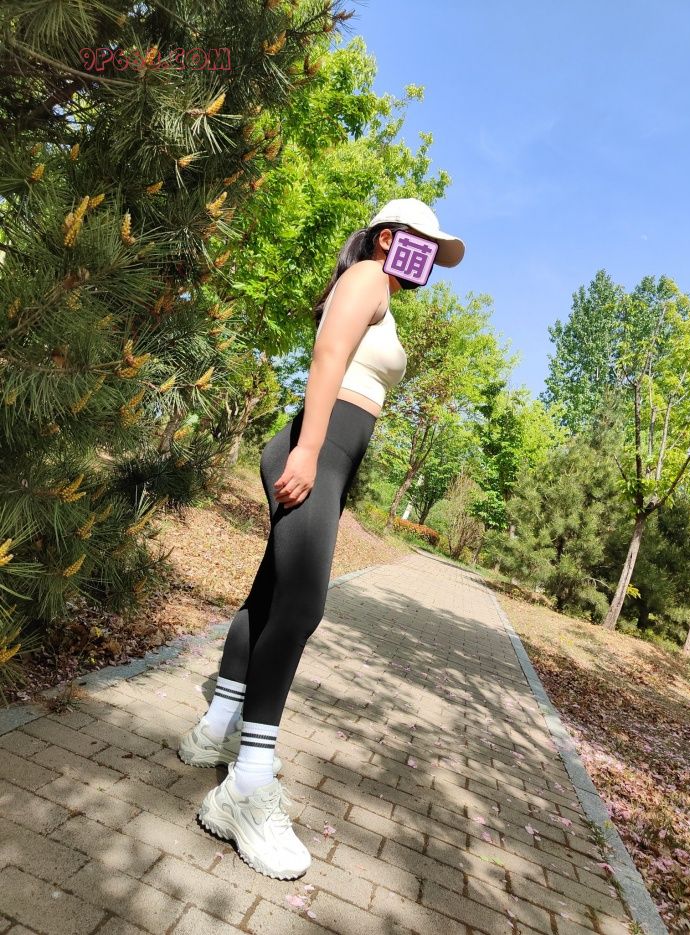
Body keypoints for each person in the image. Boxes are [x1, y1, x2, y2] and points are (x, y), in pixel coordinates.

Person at [178, 197, 465, 879]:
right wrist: (308, 452)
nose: (430, 261)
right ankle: (247, 785)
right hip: (317, 447)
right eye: (424, 246)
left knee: (270, 597)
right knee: (302, 608)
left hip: (327, 453)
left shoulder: (382, 291)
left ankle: (215, 730)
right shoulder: (368, 276)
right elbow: (329, 354)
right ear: (389, 238)